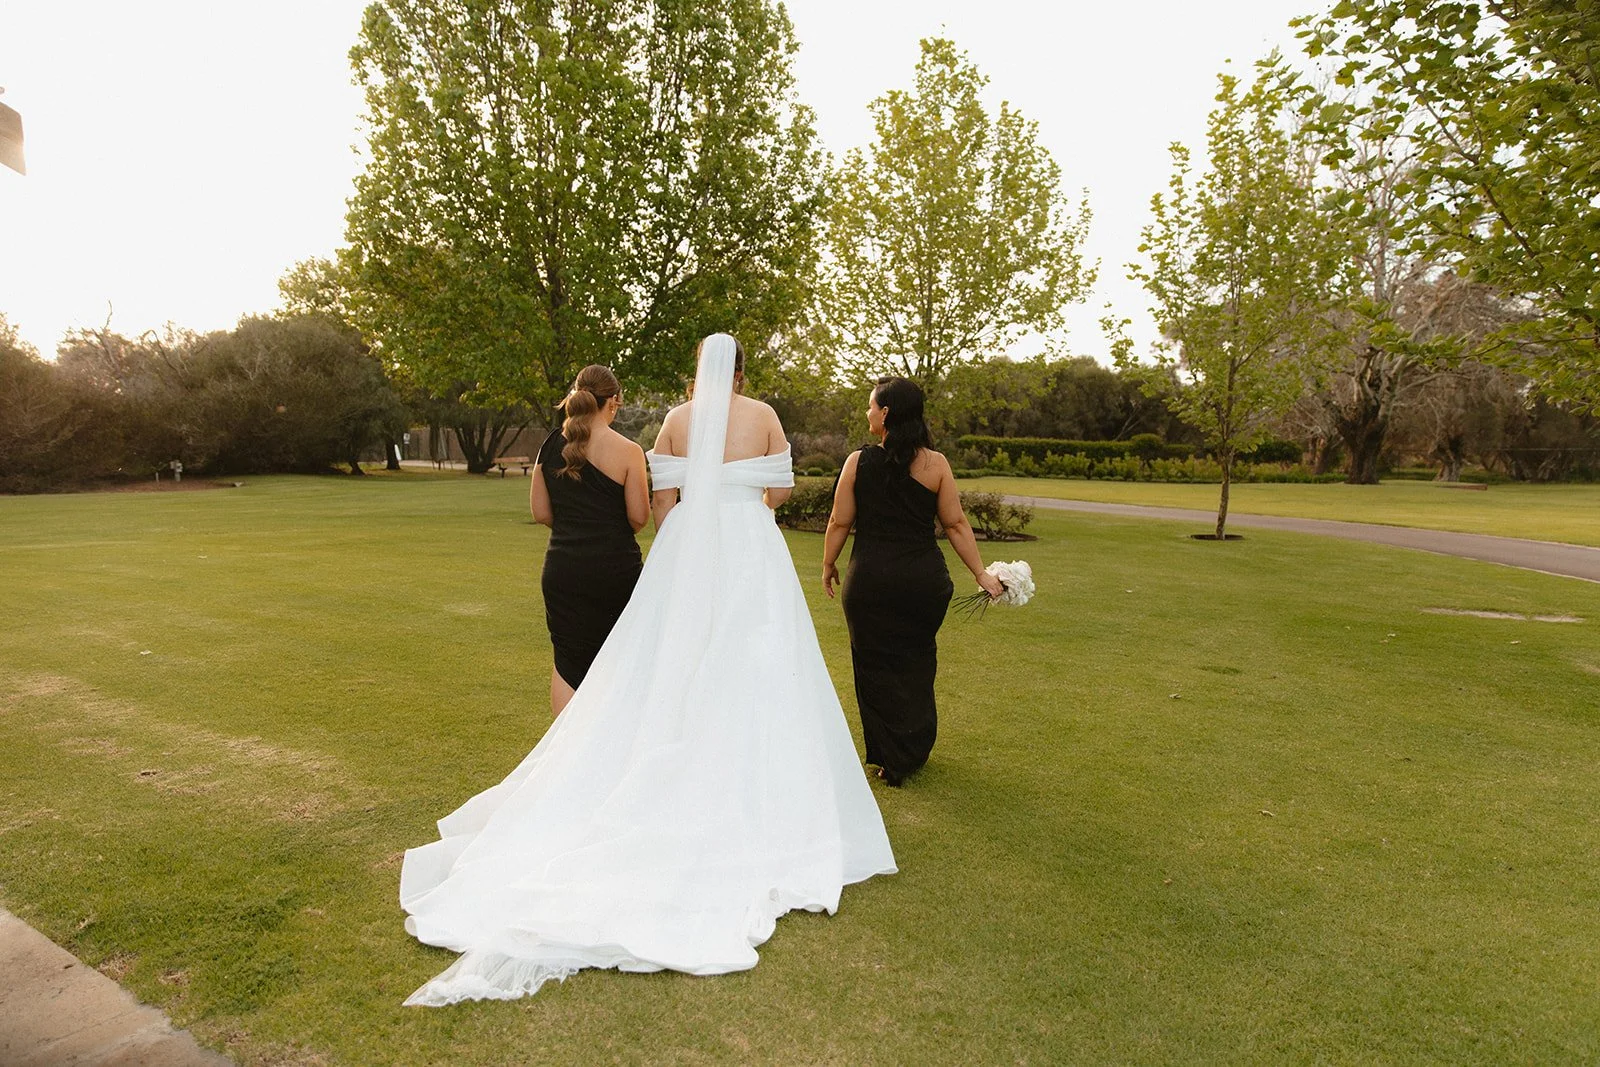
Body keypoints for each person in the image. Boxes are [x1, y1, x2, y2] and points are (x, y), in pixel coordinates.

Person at [400, 335, 895, 1006]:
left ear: (699, 371)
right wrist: (741, 502)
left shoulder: (678, 421)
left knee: (677, 663)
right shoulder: (764, 413)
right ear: (743, 372)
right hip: (750, 549)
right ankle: (751, 781)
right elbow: (778, 488)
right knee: (761, 664)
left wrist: (685, 538)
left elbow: (662, 498)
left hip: (690, 544)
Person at [822, 377, 1004, 786]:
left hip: (870, 582)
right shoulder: (936, 464)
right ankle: (911, 750)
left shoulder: (857, 462)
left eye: (871, 406)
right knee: (917, 664)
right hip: (923, 584)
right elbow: (955, 523)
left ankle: (889, 757)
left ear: (885, 413)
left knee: (872, 667)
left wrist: (828, 564)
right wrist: (980, 573)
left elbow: (839, 521)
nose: (867, 412)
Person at [529, 365, 648, 716]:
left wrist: (573, 525)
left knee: (567, 662)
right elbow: (639, 517)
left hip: (563, 570)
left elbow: (540, 512)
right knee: (620, 660)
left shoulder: (551, 444)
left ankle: (563, 761)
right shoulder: (628, 451)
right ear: (612, 401)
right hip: (615, 572)